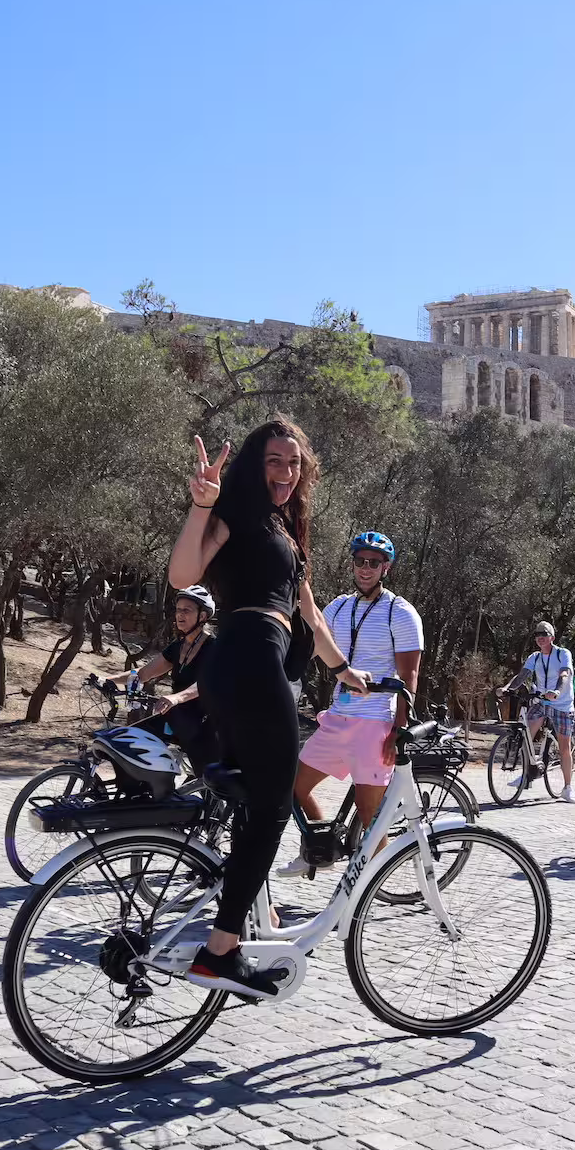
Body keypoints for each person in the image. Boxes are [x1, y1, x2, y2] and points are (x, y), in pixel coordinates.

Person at [167, 418, 370, 999]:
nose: (285, 473)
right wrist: (202, 505)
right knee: (277, 797)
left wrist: (343, 671)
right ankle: (221, 948)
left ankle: (249, 904)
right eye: (274, 462)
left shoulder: (286, 530)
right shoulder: (238, 516)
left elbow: (310, 613)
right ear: (257, 466)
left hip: (239, 667)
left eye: (294, 464)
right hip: (251, 659)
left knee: (255, 798)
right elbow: (183, 573)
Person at [279, 531, 424, 875]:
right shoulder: (339, 607)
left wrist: (398, 730)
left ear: (385, 568)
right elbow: (310, 641)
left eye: (373, 563)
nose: (365, 568)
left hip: (374, 723)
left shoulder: (400, 613)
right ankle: (321, 847)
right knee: (292, 786)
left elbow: (410, 676)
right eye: (360, 561)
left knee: (369, 814)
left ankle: (369, 888)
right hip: (337, 717)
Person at [108, 586, 215, 764]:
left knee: (208, 783)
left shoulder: (214, 648)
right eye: (178, 610)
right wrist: (106, 680)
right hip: (177, 717)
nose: (180, 615)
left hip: (204, 725)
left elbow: (208, 683)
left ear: (202, 616)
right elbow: (143, 673)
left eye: (186, 610)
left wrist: (177, 698)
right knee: (129, 745)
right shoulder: (177, 646)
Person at [501, 622, 575, 803]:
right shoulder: (534, 657)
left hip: (562, 705)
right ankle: (528, 774)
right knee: (526, 735)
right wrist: (507, 688)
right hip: (541, 701)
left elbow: (565, 674)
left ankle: (567, 788)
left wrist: (557, 691)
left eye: (544, 633)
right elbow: (522, 675)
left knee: (564, 747)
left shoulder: (562, 654)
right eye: (537, 634)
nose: (540, 637)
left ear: (552, 637)